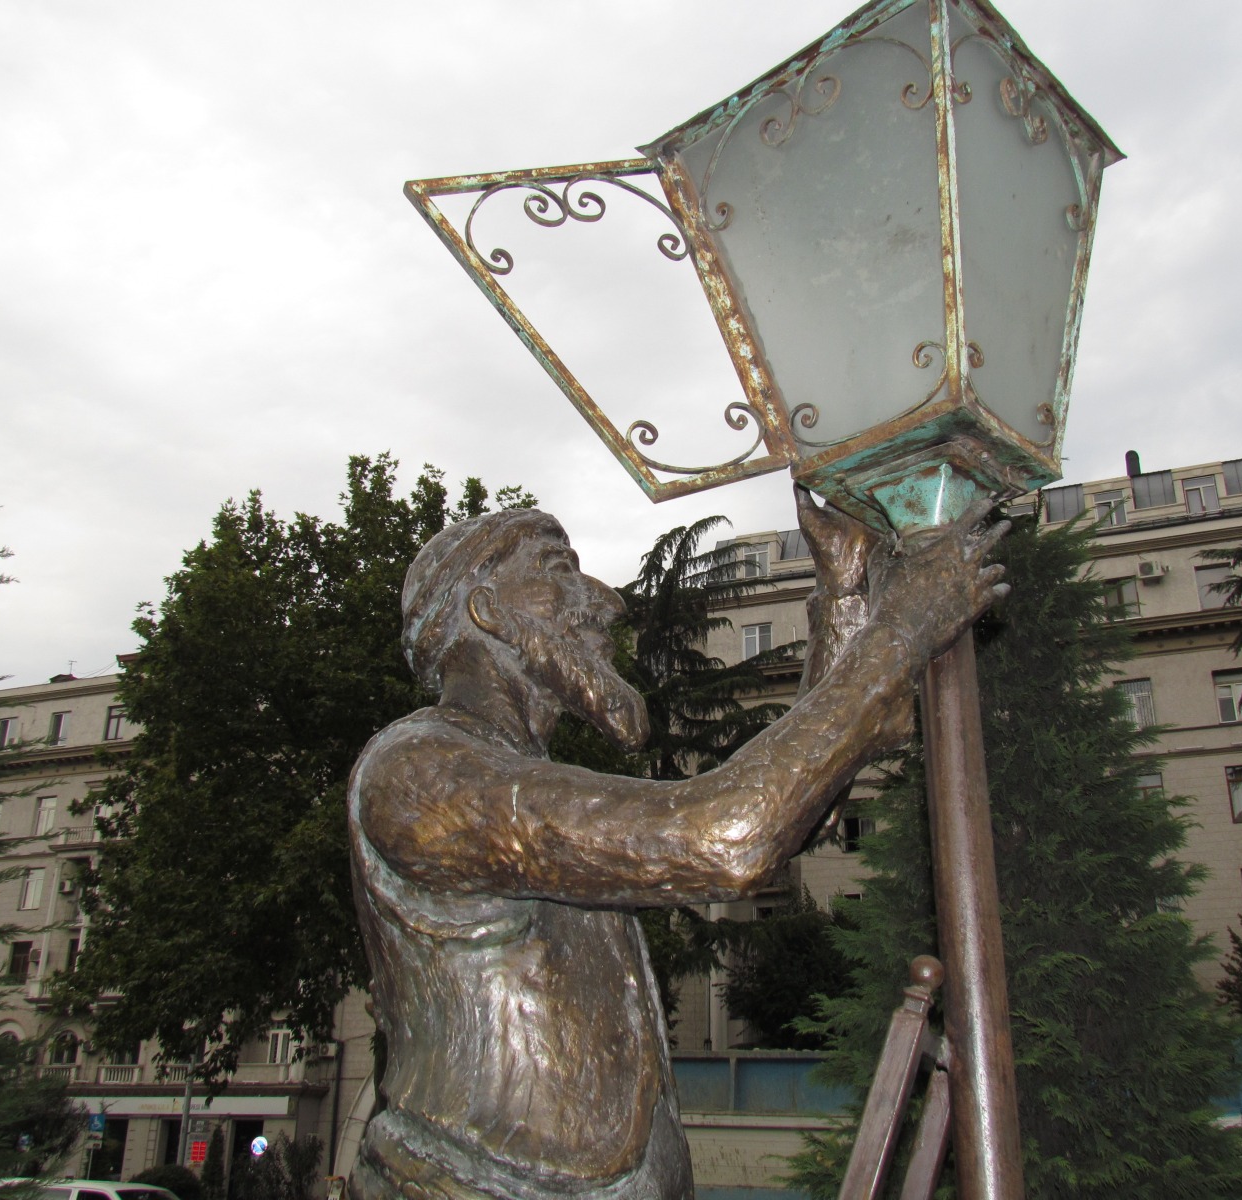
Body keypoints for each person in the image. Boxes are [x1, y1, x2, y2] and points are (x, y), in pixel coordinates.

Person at [346, 487, 1008, 1200]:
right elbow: (728, 840)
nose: (606, 602)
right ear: (487, 610)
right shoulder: (417, 774)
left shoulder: (525, 785)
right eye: (561, 569)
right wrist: (900, 632)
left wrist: (844, 595)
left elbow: (782, 825)